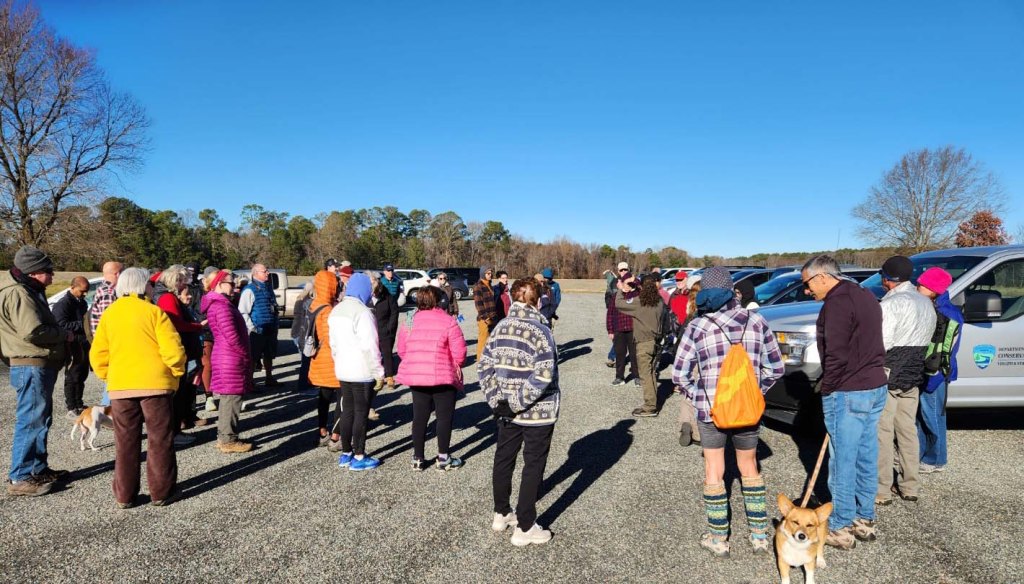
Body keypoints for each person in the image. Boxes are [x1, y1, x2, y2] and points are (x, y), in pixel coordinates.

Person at [671, 267, 784, 557]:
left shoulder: (698, 326)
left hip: (711, 410)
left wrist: (699, 396)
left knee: (714, 469)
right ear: (732, 291)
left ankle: (718, 538)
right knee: (750, 467)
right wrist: (756, 391)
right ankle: (759, 536)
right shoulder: (757, 321)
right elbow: (775, 368)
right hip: (748, 409)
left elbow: (679, 375)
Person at [801, 254, 888, 550]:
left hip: (849, 389)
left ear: (823, 276)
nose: (807, 290)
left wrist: (829, 388)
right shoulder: (865, 294)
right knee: (865, 452)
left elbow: (836, 353)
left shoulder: (837, 302)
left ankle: (840, 523)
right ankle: (864, 516)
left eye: (808, 283)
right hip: (874, 385)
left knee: (843, 458)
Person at [89, 267, 185, 507]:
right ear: (143, 286)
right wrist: (176, 374)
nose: (152, 288)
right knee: (160, 439)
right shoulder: (154, 312)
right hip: (156, 386)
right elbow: (173, 351)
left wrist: (109, 376)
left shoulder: (110, 315)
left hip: (121, 387)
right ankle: (162, 492)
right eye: (150, 284)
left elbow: (98, 354)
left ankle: (125, 495)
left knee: (125, 442)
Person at [479, 277, 560, 547]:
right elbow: (544, 373)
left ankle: (501, 512)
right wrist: (514, 402)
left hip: (506, 409)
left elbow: (484, 367)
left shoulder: (500, 327)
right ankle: (525, 526)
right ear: (537, 301)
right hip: (537, 411)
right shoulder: (541, 330)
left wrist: (497, 400)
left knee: (504, 458)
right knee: (533, 464)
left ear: (513, 299)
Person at [1, 246, 71, 496]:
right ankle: (20, 476)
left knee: (40, 418)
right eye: (48, 271)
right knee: (31, 419)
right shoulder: (19, 293)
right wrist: (64, 334)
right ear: (33, 272)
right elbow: (33, 331)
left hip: (35, 363)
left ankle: (37, 469)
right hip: (30, 363)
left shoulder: (27, 289)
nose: (52, 275)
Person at [876, 255, 935, 506]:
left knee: (883, 431)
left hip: (890, 371)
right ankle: (911, 485)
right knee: (907, 430)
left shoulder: (891, 304)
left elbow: (882, 343)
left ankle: (881, 489)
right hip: (914, 373)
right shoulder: (926, 302)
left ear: (887, 278)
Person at [396, 286, 468, 471]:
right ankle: (443, 458)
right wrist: (455, 364)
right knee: (444, 417)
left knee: (419, 417)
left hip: (418, 377)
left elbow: (402, 351)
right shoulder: (448, 321)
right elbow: (460, 354)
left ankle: (418, 458)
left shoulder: (409, 321)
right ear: (438, 300)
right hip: (443, 376)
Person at [329, 272, 385, 471]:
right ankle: (359, 456)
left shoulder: (336, 310)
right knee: (361, 413)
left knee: (347, 411)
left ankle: (346, 453)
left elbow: (333, 344)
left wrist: (338, 363)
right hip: (361, 371)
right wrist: (379, 372)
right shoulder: (363, 312)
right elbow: (371, 346)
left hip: (343, 369)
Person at [201, 270, 255, 454]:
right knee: (232, 398)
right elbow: (231, 335)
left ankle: (225, 437)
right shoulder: (221, 306)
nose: (235, 287)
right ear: (219, 284)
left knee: (228, 398)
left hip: (227, 355)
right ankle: (228, 439)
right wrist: (244, 353)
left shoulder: (220, 304)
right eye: (231, 283)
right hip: (230, 357)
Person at [916, 267, 962, 474]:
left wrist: (936, 374)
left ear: (934, 289)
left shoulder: (946, 314)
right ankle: (923, 454)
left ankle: (935, 459)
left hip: (935, 373)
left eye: (921, 285)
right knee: (924, 415)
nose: (917, 287)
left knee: (932, 416)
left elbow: (947, 350)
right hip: (927, 371)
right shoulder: (935, 307)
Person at [154, 265, 208, 443]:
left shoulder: (164, 296)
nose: (185, 284)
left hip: (180, 347)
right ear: (175, 280)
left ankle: (176, 428)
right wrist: (198, 326)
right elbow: (176, 324)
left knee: (180, 392)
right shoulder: (168, 298)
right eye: (183, 280)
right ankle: (174, 432)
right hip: (178, 349)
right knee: (178, 394)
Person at [615, 273, 663, 417]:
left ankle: (649, 407)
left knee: (645, 375)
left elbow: (619, 304)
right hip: (656, 341)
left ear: (641, 287)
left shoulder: (639, 301)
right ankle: (653, 402)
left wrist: (621, 289)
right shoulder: (660, 301)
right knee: (651, 373)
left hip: (644, 342)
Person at [307, 270, 343, 449]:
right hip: (331, 360)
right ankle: (336, 436)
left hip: (318, 358)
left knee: (323, 398)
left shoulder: (313, 305)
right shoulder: (328, 310)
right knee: (342, 398)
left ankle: (322, 431)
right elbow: (331, 339)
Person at [52, 276, 90, 418]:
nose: (85, 294)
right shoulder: (63, 304)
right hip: (71, 344)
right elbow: (60, 324)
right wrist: (83, 324)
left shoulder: (82, 302)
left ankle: (79, 403)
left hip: (83, 343)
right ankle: (71, 407)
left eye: (86, 291)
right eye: (82, 291)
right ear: (72, 287)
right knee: (72, 376)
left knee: (82, 375)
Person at [238, 263, 280, 386]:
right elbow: (243, 311)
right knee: (253, 357)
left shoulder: (268, 288)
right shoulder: (249, 290)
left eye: (267, 270)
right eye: (264, 271)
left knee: (269, 355)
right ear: (255, 273)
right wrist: (252, 328)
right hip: (257, 330)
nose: (268, 273)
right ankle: (250, 383)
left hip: (270, 328)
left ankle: (269, 378)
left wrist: (275, 323)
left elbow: (273, 307)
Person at [89, 261, 123, 406]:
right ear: (118, 274)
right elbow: (110, 323)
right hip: (110, 345)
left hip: (107, 344)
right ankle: (109, 412)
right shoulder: (109, 293)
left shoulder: (104, 290)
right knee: (112, 384)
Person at [676, 275, 703, 447]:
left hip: (688, 354)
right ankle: (698, 432)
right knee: (701, 392)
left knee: (687, 391)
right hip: (703, 356)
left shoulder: (690, 308)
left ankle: (685, 423)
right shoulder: (707, 310)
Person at [607, 262, 639, 386]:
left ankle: (637, 376)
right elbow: (610, 314)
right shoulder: (616, 296)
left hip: (633, 329)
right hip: (619, 329)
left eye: (630, 283)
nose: (628, 285)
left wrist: (634, 280)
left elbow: (641, 285)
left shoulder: (637, 295)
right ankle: (619, 377)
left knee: (634, 355)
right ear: (622, 283)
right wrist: (610, 330)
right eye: (626, 283)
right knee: (620, 355)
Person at [371, 272, 399, 390]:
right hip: (371, 330)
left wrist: (389, 328)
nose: (373, 293)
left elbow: (394, 312)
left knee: (387, 354)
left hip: (385, 329)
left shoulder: (388, 297)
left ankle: (390, 377)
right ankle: (377, 377)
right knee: (374, 354)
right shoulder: (366, 297)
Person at [288, 282, 315, 394]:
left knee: (304, 361)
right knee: (306, 362)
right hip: (302, 333)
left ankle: (304, 385)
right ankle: (304, 386)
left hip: (295, 332)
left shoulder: (299, 299)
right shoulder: (308, 302)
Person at [473, 266, 497, 361]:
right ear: (483, 274)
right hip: (484, 319)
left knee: (490, 341)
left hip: (493, 317)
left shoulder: (489, 284)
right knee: (483, 341)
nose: (490, 275)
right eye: (488, 273)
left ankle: (489, 359)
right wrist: (485, 318)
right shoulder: (478, 286)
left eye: (491, 273)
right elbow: (478, 304)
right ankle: (480, 360)